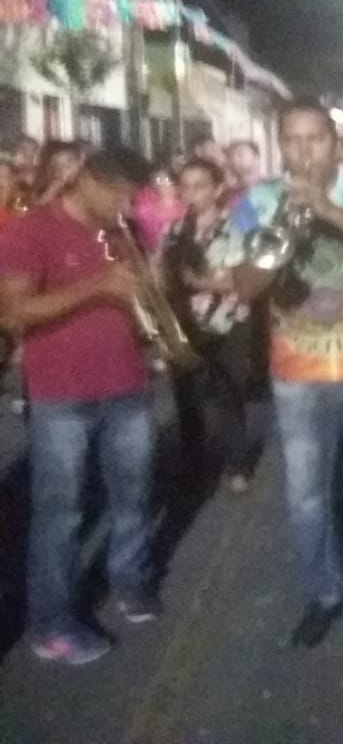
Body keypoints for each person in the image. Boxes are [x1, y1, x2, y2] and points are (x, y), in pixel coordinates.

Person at [227, 100, 343, 656]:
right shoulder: (258, 200)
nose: (304, 150)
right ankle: (323, 592)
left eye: (315, 138)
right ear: (280, 144)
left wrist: (331, 213)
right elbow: (244, 287)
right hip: (297, 372)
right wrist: (280, 230)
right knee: (307, 496)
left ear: (335, 144)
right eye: (293, 139)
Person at [0, 149, 158, 665]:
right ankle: (52, 624)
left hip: (127, 381)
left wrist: (153, 295)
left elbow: (141, 296)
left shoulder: (122, 231)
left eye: (132, 198)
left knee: (134, 495)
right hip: (61, 394)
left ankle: (130, 580)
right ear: (87, 180)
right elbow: (15, 314)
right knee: (61, 513)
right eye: (119, 195)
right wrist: (98, 287)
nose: (125, 207)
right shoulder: (33, 230)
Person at [160, 158, 260, 493]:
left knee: (228, 392)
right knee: (186, 395)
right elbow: (162, 272)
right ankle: (193, 463)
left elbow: (242, 278)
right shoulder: (174, 231)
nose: (192, 194)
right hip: (185, 321)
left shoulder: (236, 227)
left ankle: (237, 464)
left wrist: (198, 282)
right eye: (186, 187)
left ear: (217, 190)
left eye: (200, 186)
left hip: (227, 320)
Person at [132, 165, 186, 253]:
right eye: (160, 181)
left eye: (168, 180)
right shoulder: (145, 208)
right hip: (148, 252)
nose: (164, 185)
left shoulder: (185, 208)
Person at [33, 140, 83, 206]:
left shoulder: (86, 185)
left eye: (68, 164)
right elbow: (39, 205)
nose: (62, 169)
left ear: (80, 162)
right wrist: (53, 188)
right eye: (57, 166)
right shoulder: (54, 187)